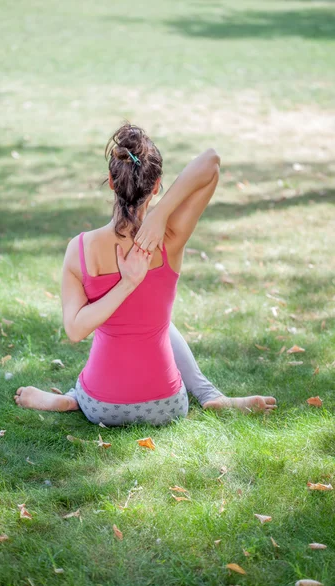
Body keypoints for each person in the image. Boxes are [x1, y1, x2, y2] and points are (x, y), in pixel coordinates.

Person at [15, 124, 277, 425]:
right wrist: (161, 214)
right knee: (157, 323)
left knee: (134, 325)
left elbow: (75, 331)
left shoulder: (79, 249)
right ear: (156, 186)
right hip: (167, 406)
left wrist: (125, 284)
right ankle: (208, 394)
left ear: (112, 182)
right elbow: (211, 163)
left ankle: (74, 398)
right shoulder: (170, 238)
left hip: (100, 406)